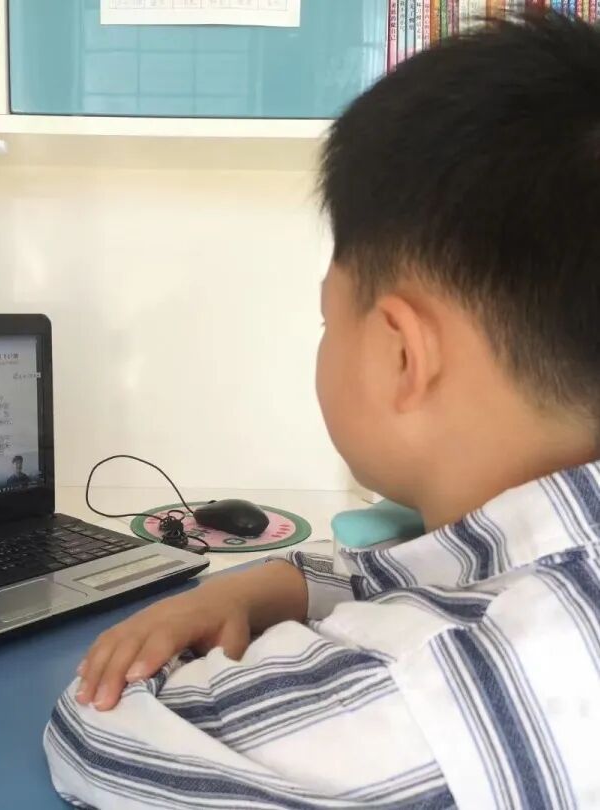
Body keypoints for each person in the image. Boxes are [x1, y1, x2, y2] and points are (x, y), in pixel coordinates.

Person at [44, 12, 600, 808]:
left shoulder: (446, 681)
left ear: (402, 356)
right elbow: (441, 570)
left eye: (326, 320)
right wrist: (256, 589)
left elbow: (103, 743)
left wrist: (148, 658)